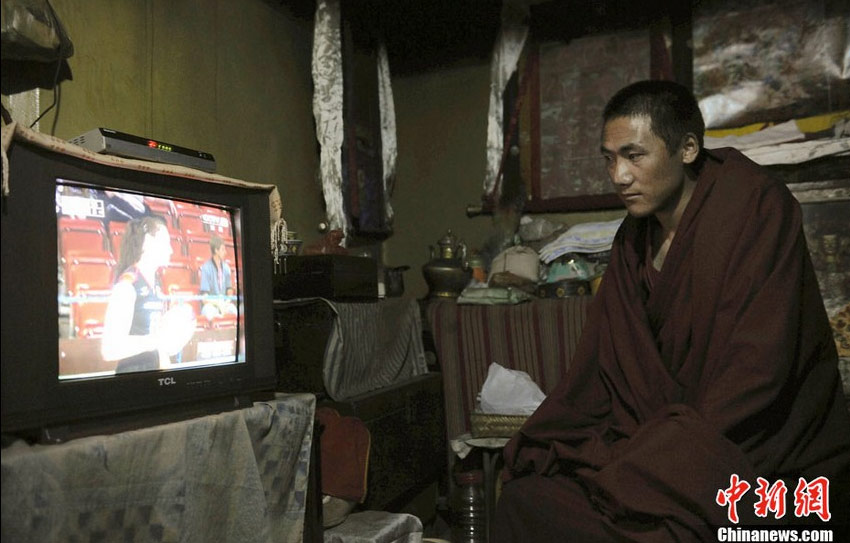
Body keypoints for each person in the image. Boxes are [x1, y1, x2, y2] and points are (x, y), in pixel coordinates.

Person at [493, 80, 850, 541]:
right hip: (660, 441)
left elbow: (761, 368)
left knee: (664, 527)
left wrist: (661, 457)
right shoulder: (632, 239)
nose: (618, 175)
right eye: (609, 158)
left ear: (686, 148)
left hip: (758, 451)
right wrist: (627, 450)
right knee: (528, 497)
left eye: (634, 155)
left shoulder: (756, 207)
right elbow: (603, 367)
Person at [101, 215, 195, 373]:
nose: (171, 250)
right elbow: (109, 349)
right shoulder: (127, 285)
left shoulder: (156, 285)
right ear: (149, 243)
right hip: (133, 383)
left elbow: (159, 344)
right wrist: (157, 340)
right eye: (166, 243)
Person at [199, 235, 237, 320]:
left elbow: (229, 290)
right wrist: (218, 304)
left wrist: (226, 303)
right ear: (216, 250)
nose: (225, 252)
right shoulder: (206, 268)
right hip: (211, 305)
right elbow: (204, 299)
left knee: (234, 311)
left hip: (225, 304)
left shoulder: (226, 268)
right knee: (209, 313)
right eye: (223, 249)